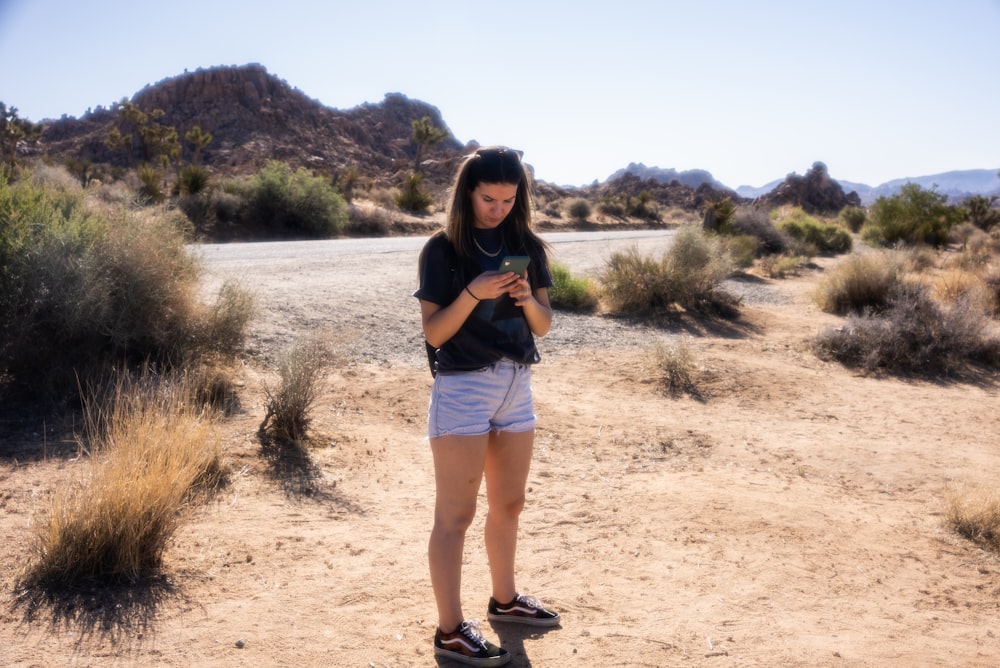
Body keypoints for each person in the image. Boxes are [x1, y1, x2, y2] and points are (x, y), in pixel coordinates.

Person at [414, 146, 561, 666]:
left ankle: (505, 600)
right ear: (467, 193)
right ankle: (450, 631)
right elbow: (434, 333)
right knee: (456, 514)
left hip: (516, 383)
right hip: (462, 387)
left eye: (508, 199)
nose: (497, 209)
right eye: (487, 198)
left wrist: (525, 298)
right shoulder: (443, 250)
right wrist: (475, 292)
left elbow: (543, 324)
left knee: (510, 504)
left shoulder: (527, 245)